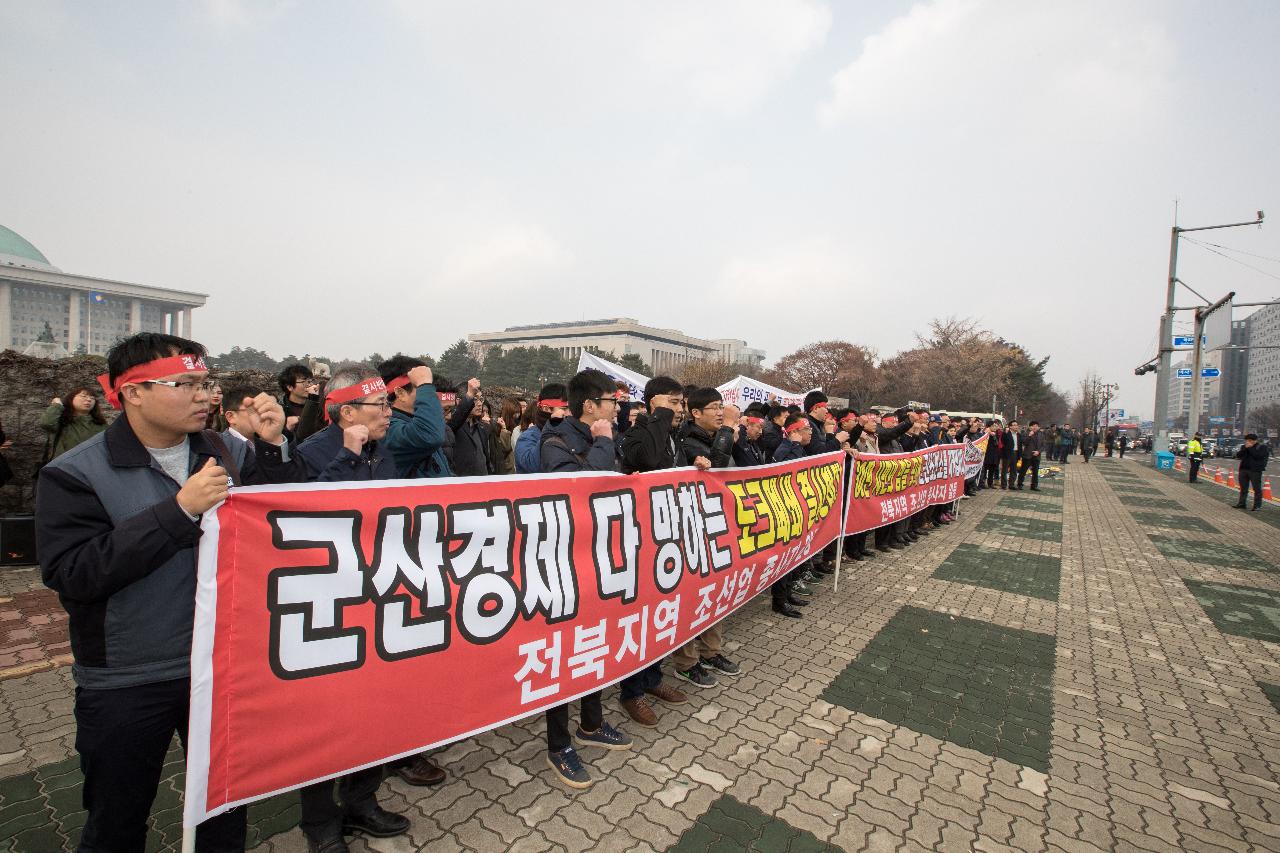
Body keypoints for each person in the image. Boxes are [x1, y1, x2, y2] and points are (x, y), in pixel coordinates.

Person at [36, 332, 307, 852]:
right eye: (184, 384)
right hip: (127, 676)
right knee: (117, 819)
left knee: (222, 810)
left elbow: (285, 519)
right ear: (131, 393)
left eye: (206, 383)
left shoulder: (226, 450)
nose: (204, 395)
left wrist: (273, 448)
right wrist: (178, 510)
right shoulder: (74, 472)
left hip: (220, 665)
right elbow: (73, 574)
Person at [293, 368, 413, 847]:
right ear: (346, 412)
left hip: (377, 598)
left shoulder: (383, 453)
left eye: (388, 403)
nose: (389, 412)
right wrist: (346, 457)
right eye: (379, 405)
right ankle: (321, 826)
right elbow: (304, 519)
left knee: (376, 714)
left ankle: (363, 800)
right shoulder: (309, 454)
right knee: (323, 726)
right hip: (326, 607)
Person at [538, 368, 634, 789]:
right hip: (562, 565)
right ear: (591, 406)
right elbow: (586, 486)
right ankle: (558, 745)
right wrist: (603, 440)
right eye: (612, 402)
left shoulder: (605, 436)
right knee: (563, 652)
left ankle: (591, 725)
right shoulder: (553, 441)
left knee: (595, 641)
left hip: (600, 558)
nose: (619, 408)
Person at [616, 377, 701, 728]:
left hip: (669, 536)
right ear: (653, 402)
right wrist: (661, 417)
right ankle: (631, 691)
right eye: (674, 402)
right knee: (641, 614)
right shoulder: (639, 432)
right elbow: (648, 461)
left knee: (662, 612)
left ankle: (652, 678)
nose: (680, 409)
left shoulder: (674, 436)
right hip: (641, 539)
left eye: (682, 403)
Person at [671, 388, 741, 687]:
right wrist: (727, 430)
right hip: (690, 531)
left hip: (716, 527)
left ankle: (711, 651)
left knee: (715, 592)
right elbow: (719, 465)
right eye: (714, 407)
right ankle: (687, 662)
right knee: (691, 597)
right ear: (696, 412)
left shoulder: (716, 437)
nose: (720, 412)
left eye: (721, 406)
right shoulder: (687, 442)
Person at [378, 356, 450, 479]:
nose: (429, 394)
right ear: (400, 393)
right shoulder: (389, 429)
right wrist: (425, 384)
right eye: (421, 387)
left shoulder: (417, 423)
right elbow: (429, 437)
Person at [41, 387, 109, 459]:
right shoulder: (62, 421)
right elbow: (47, 424)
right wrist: (57, 405)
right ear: (71, 399)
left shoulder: (100, 424)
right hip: (65, 466)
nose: (89, 399)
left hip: (93, 465)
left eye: (92, 398)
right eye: (83, 396)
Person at [516, 384, 569, 474]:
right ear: (546, 408)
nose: (568, 413)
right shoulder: (527, 437)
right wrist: (552, 430)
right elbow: (530, 466)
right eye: (564, 408)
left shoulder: (569, 432)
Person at [448, 378, 493, 476]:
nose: (480, 403)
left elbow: (486, 458)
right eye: (475, 399)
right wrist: (469, 396)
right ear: (459, 401)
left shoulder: (482, 427)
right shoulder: (451, 426)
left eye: (481, 399)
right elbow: (456, 420)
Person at [277, 363, 322, 443]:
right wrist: (287, 429)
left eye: (311, 381)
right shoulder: (279, 410)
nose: (310, 385)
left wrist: (313, 400)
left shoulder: (319, 406)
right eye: (304, 382)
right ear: (290, 387)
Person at [1234, 433, 1270, 510]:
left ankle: (1257, 505)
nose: (1247, 442)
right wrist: (1245, 449)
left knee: (1256, 488)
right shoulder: (1244, 447)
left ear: (1255, 441)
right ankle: (1242, 503)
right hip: (1244, 469)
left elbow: (1258, 456)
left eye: (1249, 440)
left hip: (1255, 470)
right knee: (1243, 488)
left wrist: (1250, 448)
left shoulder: (1262, 447)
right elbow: (1238, 455)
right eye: (1246, 440)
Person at [1016, 421, 1043, 490]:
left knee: (1035, 472)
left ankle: (1034, 486)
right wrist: (1029, 436)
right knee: (1023, 471)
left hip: (1036, 456)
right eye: (1033, 426)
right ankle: (1020, 484)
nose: (1035, 427)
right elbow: (1024, 443)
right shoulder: (1025, 433)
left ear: (1038, 427)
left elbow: (1043, 445)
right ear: (1030, 427)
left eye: (1036, 426)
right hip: (1027, 455)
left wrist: (1038, 451)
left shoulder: (1041, 434)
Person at [1000, 420, 1021, 489]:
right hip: (1007, 454)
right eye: (1014, 425)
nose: (1016, 426)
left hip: (1015, 453)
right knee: (1005, 470)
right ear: (1010, 426)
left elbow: (1020, 445)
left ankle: (1011, 484)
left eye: (1016, 425)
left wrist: (1019, 455)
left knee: (1014, 470)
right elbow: (1003, 441)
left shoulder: (1018, 434)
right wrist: (1005, 433)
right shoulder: (1006, 433)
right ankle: (1003, 485)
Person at [982, 420, 1002, 488]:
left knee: (992, 469)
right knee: (985, 469)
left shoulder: (996, 433)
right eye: (993, 426)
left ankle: (990, 483)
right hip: (987, 453)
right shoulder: (986, 433)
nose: (995, 427)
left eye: (996, 426)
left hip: (994, 454)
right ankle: (983, 483)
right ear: (989, 426)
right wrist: (988, 432)